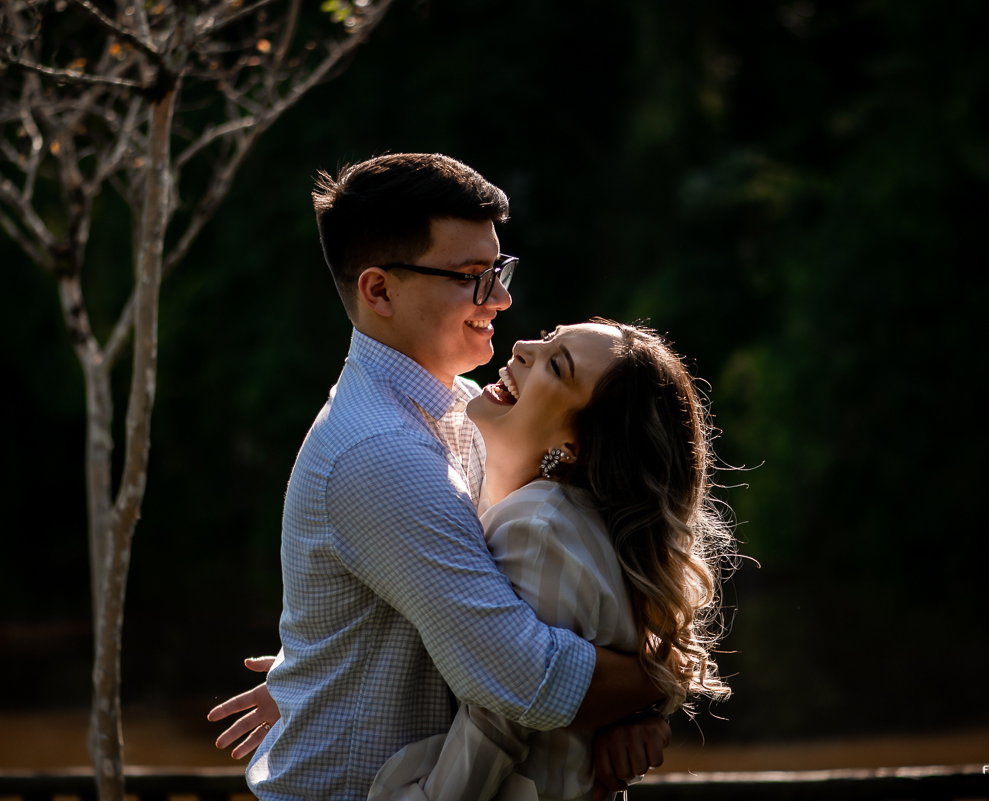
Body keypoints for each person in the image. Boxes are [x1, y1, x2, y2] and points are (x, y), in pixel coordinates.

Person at [207, 154, 671, 801]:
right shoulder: (382, 452)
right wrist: (665, 677)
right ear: (379, 291)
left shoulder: (463, 407)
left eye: (499, 271)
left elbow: (631, 546)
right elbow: (523, 678)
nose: (502, 299)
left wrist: (636, 713)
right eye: (471, 277)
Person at [368, 320, 735, 801]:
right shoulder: (548, 513)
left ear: (573, 446)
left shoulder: (535, 529)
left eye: (555, 365)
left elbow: (502, 714)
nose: (522, 347)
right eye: (546, 338)